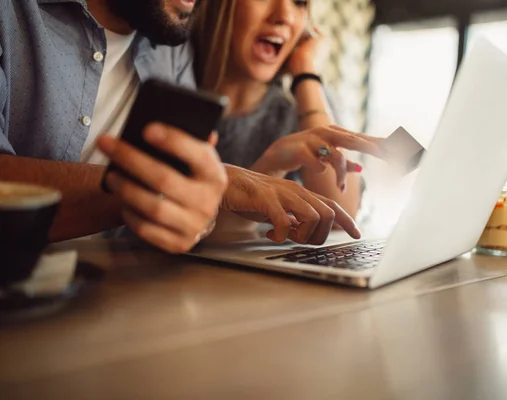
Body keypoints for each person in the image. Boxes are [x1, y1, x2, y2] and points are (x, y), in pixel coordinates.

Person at [0, 0, 380, 254]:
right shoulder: (183, 50)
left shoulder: (170, 48)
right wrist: (213, 185)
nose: (284, 14)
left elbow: (342, 214)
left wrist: (306, 77)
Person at [192, 0, 366, 218]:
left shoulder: (307, 100)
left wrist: (305, 70)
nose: (285, 16)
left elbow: (343, 215)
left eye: (299, 2)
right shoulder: (172, 79)